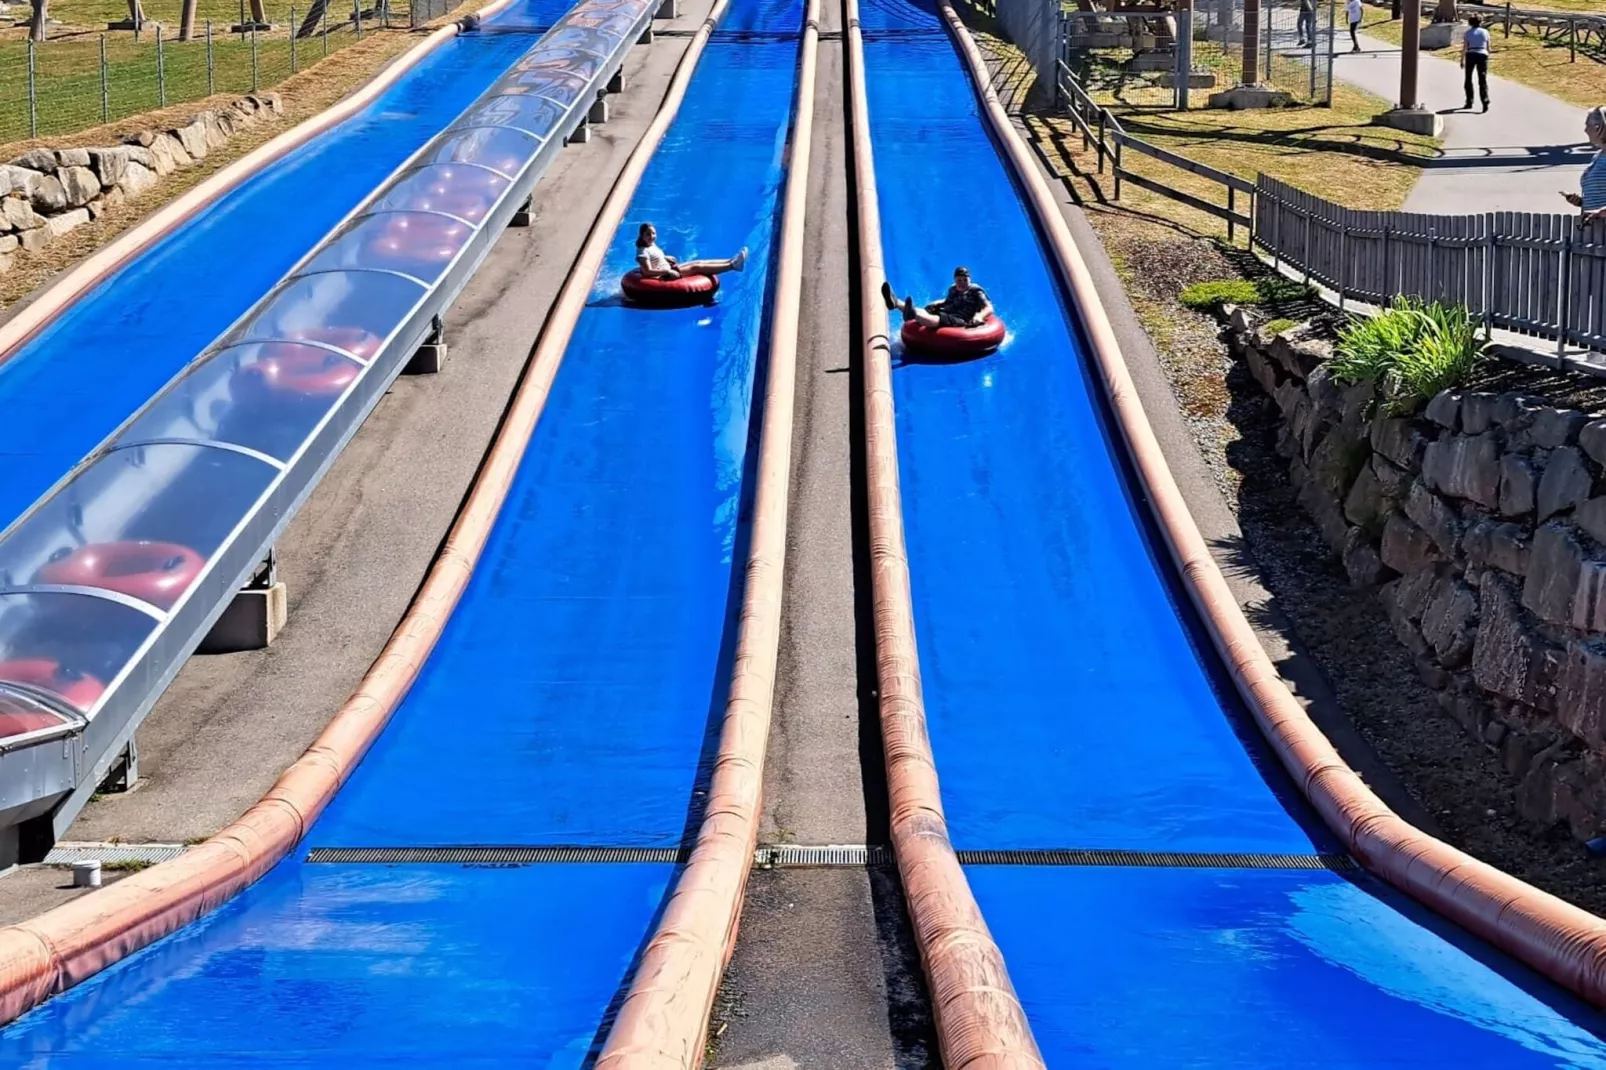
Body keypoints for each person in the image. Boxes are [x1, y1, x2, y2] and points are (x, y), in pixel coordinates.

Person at [881, 267, 993, 329]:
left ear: (970, 280)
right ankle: (896, 303)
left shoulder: (975, 291)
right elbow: (948, 301)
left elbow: (989, 307)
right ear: (955, 280)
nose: (962, 283)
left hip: (962, 319)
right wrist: (938, 303)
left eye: (965, 280)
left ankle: (913, 314)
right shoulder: (953, 289)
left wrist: (979, 316)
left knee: (939, 319)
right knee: (926, 310)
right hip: (948, 312)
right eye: (959, 280)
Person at [633, 223, 746, 280]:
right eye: (648, 234)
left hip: (667, 269)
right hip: (664, 276)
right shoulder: (642, 252)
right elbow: (647, 271)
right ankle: (732, 266)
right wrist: (666, 271)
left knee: (697, 262)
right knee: (696, 268)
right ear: (642, 236)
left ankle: (731, 260)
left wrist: (665, 258)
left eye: (653, 233)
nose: (652, 236)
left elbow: (655, 259)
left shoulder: (651, 245)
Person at [1563, 106, 1606, 222]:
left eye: (1588, 125)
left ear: (1599, 128)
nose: (1585, 130)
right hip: (1595, 230)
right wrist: (1582, 202)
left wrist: (1601, 212)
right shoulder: (1597, 156)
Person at [1462, 15, 1491, 112]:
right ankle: (1485, 99)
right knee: (1482, 79)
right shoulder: (1485, 32)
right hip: (1482, 54)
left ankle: (1469, 101)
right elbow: (1488, 47)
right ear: (1480, 22)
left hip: (1471, 54)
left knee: (1468, 78)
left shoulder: (1467, 33)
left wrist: (1462, 60)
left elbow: (1465, 47)